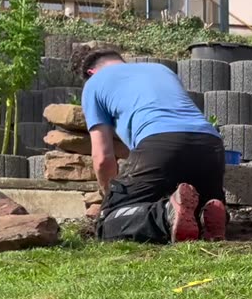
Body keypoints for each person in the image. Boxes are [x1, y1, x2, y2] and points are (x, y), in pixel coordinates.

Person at [79, 48, 227, 243]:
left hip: (160, 143)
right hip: (210, 145)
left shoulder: (94, 84)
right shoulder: (161, 70)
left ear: (90, 73)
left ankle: (166, 214)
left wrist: (110, 198)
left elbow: (102, 158)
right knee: (197, 203)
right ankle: (207, 213)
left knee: (108, 222)